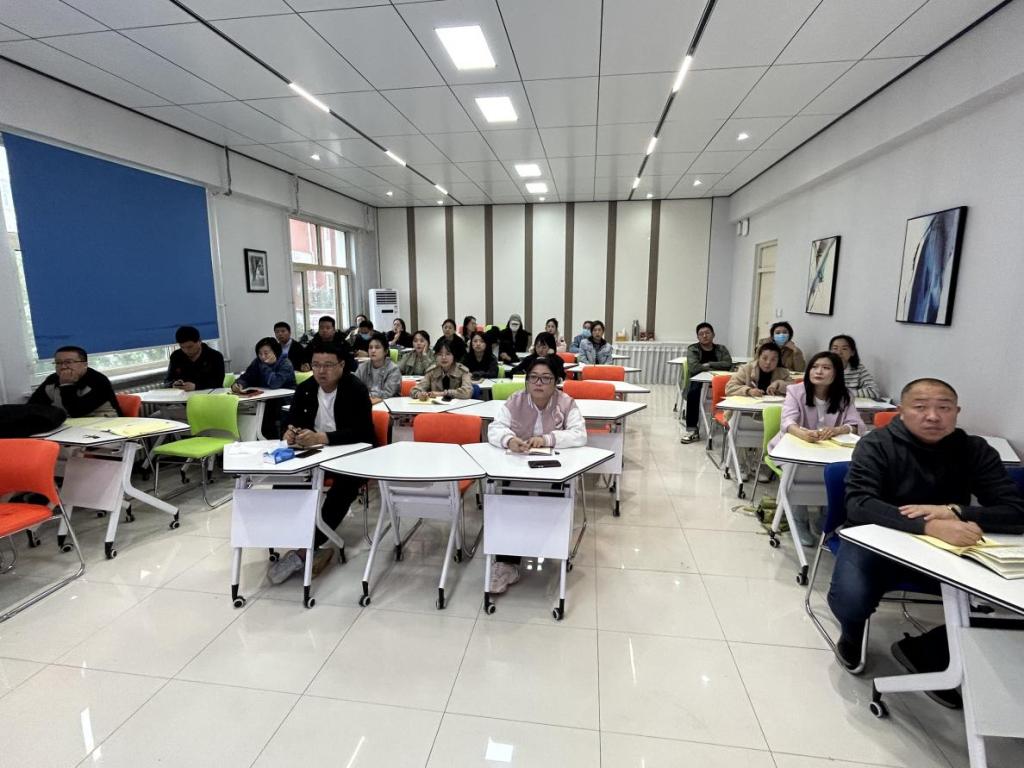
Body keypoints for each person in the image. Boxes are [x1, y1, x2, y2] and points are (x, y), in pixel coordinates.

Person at [827, 378, 1024, 706]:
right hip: (876, 540)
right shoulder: (876, 444)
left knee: (1003, 603)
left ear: (957, 412)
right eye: (920, 407)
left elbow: (1015, 512)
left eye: (943, 408)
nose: (933, 416)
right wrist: (928, 526)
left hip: (949, 548)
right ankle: (851, 633)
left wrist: (956, 511)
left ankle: (925, 650)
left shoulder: (973, 449)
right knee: (852, 598)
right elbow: (859, 505)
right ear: (901, 411)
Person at [271, 341, 375, 584]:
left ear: (341, 365)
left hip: (352, 454)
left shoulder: (355, 389)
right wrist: (290, 433)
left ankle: (308, 546)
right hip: (314, 452)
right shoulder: (306, 388)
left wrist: (323, 438)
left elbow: (364, 433)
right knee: (286, 479)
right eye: (316, 365)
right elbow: (291, 420)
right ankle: (291, 534)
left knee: (344, 487)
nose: (321, 371)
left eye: (328, 365)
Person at [486, 357, 587, 594]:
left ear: (556, 381)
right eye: (533, 377)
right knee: (508, 502)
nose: (538, 383)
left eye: (545, 378)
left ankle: (549, 546)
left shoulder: (566, 403)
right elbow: (495, 428)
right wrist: (508, 440)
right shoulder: (515, 400)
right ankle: (507, 563)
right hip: (517, 467)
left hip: (555, 470)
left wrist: (548, 439)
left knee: (548, 507)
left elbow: (579, 434)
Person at [770, 351, 864, 546]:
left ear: (836, 373)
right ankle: (799, 520)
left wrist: (838, 429)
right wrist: (801, 433)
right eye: (814, 367)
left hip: (829, 450)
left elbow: (856, 424)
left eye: (826, 368)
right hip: (793, 447)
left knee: (841, 473)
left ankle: (826, 518)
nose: (819, 371)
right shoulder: (796, 391)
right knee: (798, 472)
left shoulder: (845, 396)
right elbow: (787, 421)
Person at [29, 346, 122, 418]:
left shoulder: (99, 380)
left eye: (69, 362)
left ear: (84, 364)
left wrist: (66, 385)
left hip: (104, 422)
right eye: (58, 363)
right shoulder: (52, 380)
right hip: (70, 424)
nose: (63, 367)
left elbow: (76, 411)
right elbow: (32, 406)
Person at [678, 323, 733, 443]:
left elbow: (728, 364)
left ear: (713, 334)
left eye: (707, 333)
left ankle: (728, 422)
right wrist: (716, 366)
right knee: (693, 392)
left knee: (734, 389)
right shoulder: (693, 349)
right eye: (701, 334)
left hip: (718, 381)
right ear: (698, 337)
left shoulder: (721, 349)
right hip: (699, 381)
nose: (704, 336)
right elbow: (694, 368)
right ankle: (692, 430)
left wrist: (709, 364)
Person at [232, 337, 296, 438]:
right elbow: (247, 377)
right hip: (263, 399)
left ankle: (270, 437)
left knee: (267, 412)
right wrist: (239, 384)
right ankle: (253, 436)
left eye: (266, 353)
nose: (262, 357)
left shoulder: (285, 363)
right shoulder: (257, 362)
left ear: (275, 352)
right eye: (260, 353)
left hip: (284, 400)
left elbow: (275, 383)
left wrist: (264, 366)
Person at [165, 325, 225, 390]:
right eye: (182, 347)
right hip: (183, 395)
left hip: (210, 394)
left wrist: (195, 386)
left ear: (199, 341)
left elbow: (218, 383)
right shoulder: (176, 356)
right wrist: (173, 384)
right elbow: (167, 381)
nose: (186, 351)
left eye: (190, 347)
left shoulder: (215, 356)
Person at [724, 342, 792, 397]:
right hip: (748, 407)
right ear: (758, 358)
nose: (768, 362)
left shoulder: (783, 373)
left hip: (774, 407)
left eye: (773, 360)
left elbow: (793, 390)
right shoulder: (747, 369)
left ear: (778, 361)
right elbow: (729, 388)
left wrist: (779, 383)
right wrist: (748, 391)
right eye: (764, 358)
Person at [829, 334, 880, 399]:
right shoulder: (824, 368)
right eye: (835, 348)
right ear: (830, 352)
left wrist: (846, 393)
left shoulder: (858, 369)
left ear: (852, 352)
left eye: (844, 349)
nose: (839, 352)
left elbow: (874, 392)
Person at [354, 333, 401, 402]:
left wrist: (365, 395)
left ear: (385, 351)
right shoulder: (362, 368)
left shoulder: (393, 369)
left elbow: (387, 393)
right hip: (366, 404)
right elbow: (353, 388)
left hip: (388, 405)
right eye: (370, 347)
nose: (373, 350)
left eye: (377, 347)